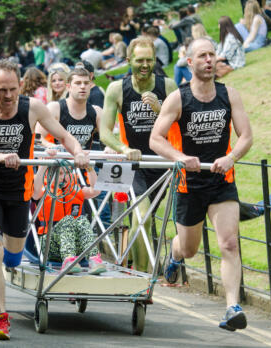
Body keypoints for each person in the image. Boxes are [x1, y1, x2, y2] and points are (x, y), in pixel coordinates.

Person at [0, 59, 88, 340]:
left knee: (12, 258)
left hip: (19, 192)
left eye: (13, 90)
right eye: (2, 90)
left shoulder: (32, 108)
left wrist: (79, 152)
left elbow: (64, 136)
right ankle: (2, 318)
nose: (7, 97)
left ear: (20, 86)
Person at [149, 37, 253, 331]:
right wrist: (181, 157)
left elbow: (246, 135)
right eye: (202, 56)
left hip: (221, 180)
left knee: (229, 243)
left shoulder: (229, 94)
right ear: (190, 63)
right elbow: (155, 139)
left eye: (212, 55)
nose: (209, 60)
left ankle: (232, 307)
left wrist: (232, 157)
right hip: (189, 184)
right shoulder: (178, 98)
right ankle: (174, 252)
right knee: (190, 249)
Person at [100, 37, 177, 272]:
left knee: (144, 218)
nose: (145, 65)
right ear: (128, 60)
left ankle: (134, 263)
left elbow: (181, 126)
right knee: (141, 215)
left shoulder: (169, 86)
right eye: (140, 60)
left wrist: (160, 109)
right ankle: (142, 277)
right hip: (132, 164)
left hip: (160, 164)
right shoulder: (116, 89)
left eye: (149, 60)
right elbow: (104, 131)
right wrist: (124, 149)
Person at [32, 166, 106, 274]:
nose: (64, 177)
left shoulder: (76, 189)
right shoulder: (42, 189)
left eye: (67, 173)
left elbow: (95, 190)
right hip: (48, 244)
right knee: (68, 220)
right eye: (60, 173)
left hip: (76, 247)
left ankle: (94, 259)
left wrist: (89, 167)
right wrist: (43, 166)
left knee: (81, 219)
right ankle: (68, 260)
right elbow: (35, 194)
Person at [40, 67, 101, 150]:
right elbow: (38, 138)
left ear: (90, 86)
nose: (83, 86)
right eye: (78, 83)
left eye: (86, 83)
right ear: (68, 87)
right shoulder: (54, 108)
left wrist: (110, 147)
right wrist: (53, 147)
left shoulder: (97, 111)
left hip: (84, 160)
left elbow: (107, 139)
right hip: (60, 160)